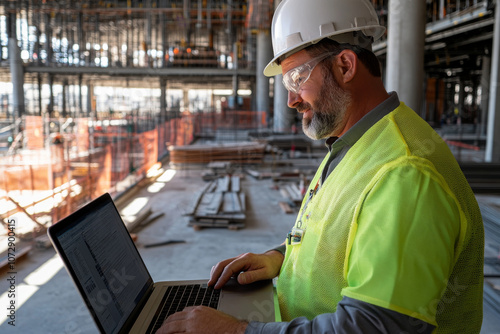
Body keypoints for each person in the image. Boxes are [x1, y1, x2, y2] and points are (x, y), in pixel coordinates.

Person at [157, 0, 484, 333]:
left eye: (298, 79)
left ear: (345, 66)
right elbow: (335, 239)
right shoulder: (354, 142)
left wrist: (235, 331)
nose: (292, 100)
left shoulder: (405, 173)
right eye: (287, 85)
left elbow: (375, 327)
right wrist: (280, 259)